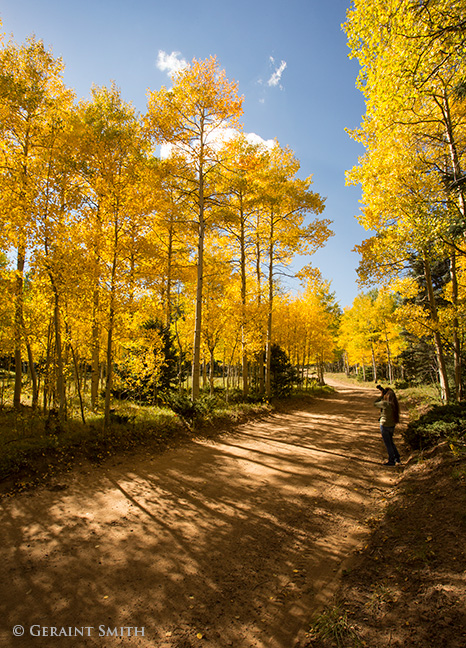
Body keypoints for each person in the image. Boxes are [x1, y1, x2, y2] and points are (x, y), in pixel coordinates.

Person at [374, 385, 401, 466]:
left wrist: (381, 396)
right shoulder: (395, 404)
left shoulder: (385, 404)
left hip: (384, 425)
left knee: (388, 443)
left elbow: (375, 403)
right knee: (391, 442)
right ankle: (397, 458)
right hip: (392, 425)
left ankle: (391, 461)